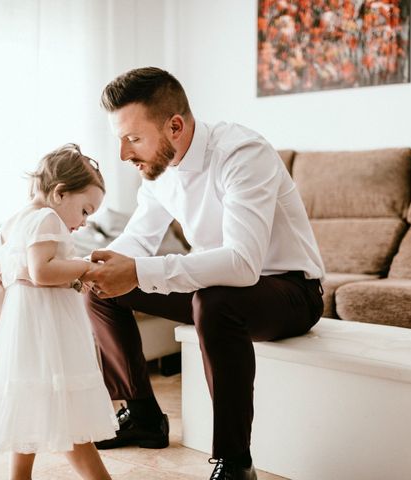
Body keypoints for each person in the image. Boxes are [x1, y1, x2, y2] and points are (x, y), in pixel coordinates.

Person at [82, 67, 325, 480]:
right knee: (100, 289)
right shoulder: (158, 172)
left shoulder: (241, 153)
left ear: (175, 125)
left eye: (134, 138)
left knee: (215, 302)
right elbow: (138, 240)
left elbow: (243, 264)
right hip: (219, 287)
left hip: (291, 291)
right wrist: (91, 269)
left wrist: (140, 271)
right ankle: (142, 414)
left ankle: (235, 462)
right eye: (120, 140)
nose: (124, 154)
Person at [0, 144, 117, 480]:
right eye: (85, 211)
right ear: (60, 194)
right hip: (44, 330)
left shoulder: (20, 219)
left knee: (30, 405)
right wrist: (84, 268)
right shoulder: (47, 219)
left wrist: (70, 280)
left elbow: (25, 273)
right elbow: (42, 271)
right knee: (64, 412)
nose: (84, 223)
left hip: (24, 328)